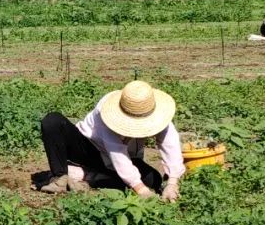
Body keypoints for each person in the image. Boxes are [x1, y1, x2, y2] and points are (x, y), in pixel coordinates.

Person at [38, 80, 185, 203]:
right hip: (89, 149)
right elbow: (117, 153)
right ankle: (61, 177)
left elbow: (170, 143)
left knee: (154, 180)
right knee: (53, 121)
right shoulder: (106, 111)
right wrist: (142, 191)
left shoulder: (157, 112)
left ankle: (88, 176)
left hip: (125, 157)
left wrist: (172, 183)